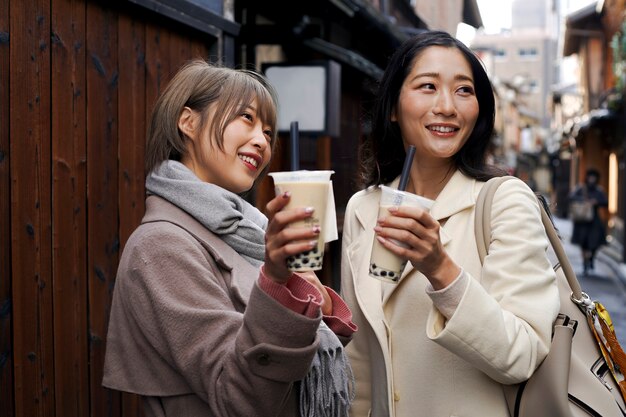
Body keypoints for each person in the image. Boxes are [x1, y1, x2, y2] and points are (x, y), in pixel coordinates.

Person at [103, 59, 357, 417]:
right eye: (247, 118)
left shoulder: (247, 231)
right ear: (188, 122)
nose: (262, 142)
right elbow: (238, 400)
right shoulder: (161, 245)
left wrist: (317, 303)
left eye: (269, 132)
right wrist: (275, 284)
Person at [340, 31, 560, 417]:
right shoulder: (364, 207)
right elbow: (359, 357)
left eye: (464, 91)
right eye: (428, 86)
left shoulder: (504, 201)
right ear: (393, 107)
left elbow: (521, 355)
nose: (447, 106)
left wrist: (440, 269)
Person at [569, 168, 608, 275]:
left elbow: (605, 202)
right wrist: (584, 200)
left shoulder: (599, 190)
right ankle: (585, 262)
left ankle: (591, 258)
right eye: (590, 177)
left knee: (595, 242)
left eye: (593, 177)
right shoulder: (581, 188)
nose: (591, 179)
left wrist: (596, 202)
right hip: (582, 220)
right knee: (583, 243)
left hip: (594, 220)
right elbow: (571, 197)